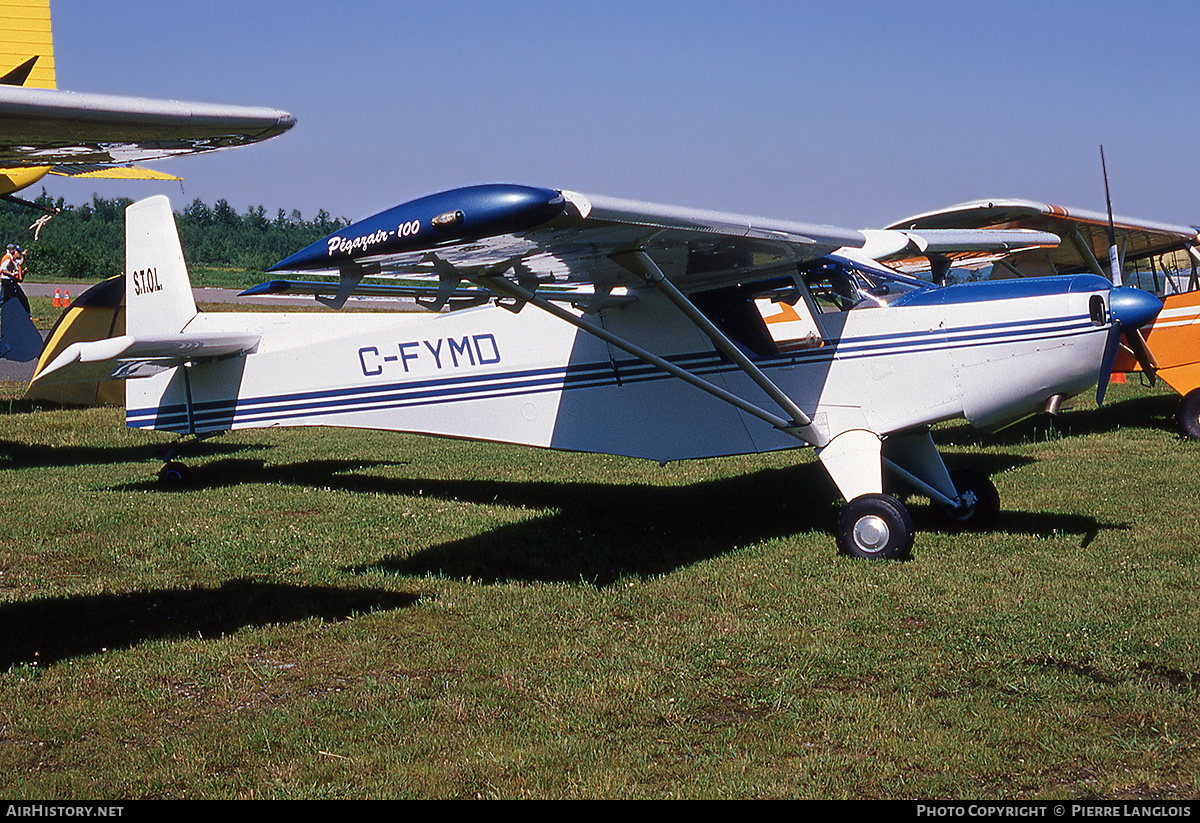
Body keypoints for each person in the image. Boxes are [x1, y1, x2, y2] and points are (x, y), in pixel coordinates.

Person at [0, 243, 30, 314]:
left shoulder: (13, 259)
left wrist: (23, 256)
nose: (18, 253)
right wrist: (11, 274)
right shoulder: (8, 258)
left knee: (6, 299)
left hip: (10, 281)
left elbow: (20, 263)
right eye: (18, 251)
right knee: (16, 298)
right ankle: (24, 314)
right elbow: (2, 269)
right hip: (8, 281)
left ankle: (25, 314)